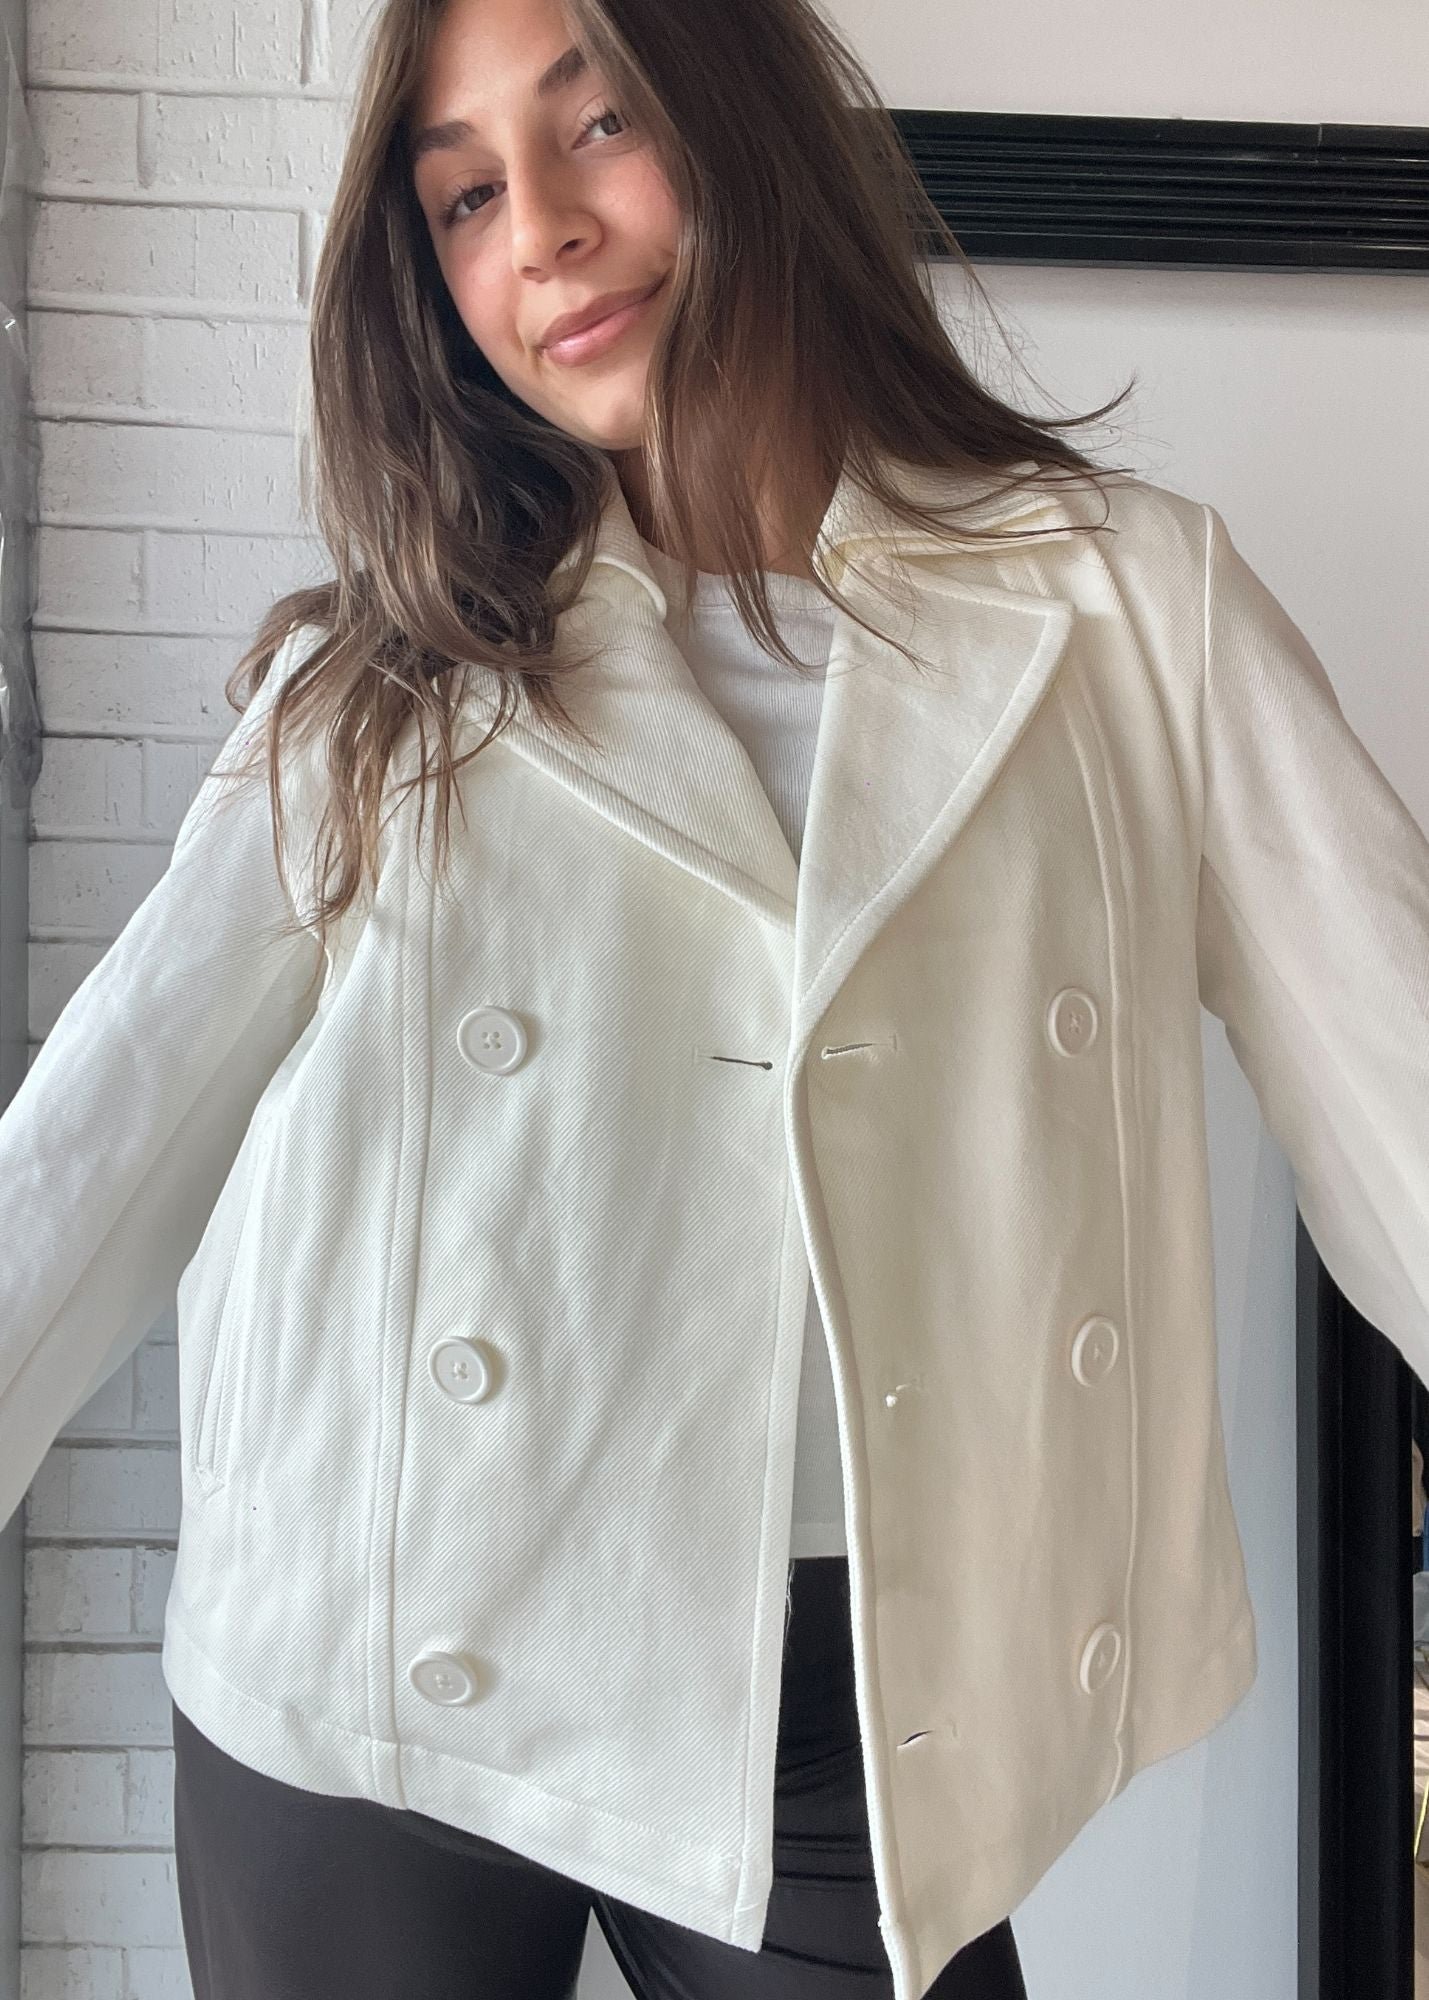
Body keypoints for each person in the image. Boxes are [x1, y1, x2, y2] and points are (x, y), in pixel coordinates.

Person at [4, 0, 1428, 1995]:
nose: (540, 231)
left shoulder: (1121, 612)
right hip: (378, 1652)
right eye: (465, 196)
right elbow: (90, 1152)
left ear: (745, 120)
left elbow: (1397, 1085)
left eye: (599, 125)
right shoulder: (387, 680)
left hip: (845, 1701)